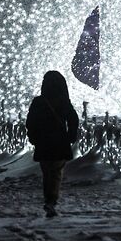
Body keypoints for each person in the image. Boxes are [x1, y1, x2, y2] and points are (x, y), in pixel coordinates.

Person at [25, 70, 80, 218]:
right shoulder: (63, 101)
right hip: (59, 142)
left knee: (47, 172)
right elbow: (73, 119)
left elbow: (30, 122)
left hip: (43, 143)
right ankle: (51, 200)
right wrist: (71, 135)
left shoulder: (38, 102)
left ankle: (48, 199)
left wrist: (33, 137)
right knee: (56, 172)